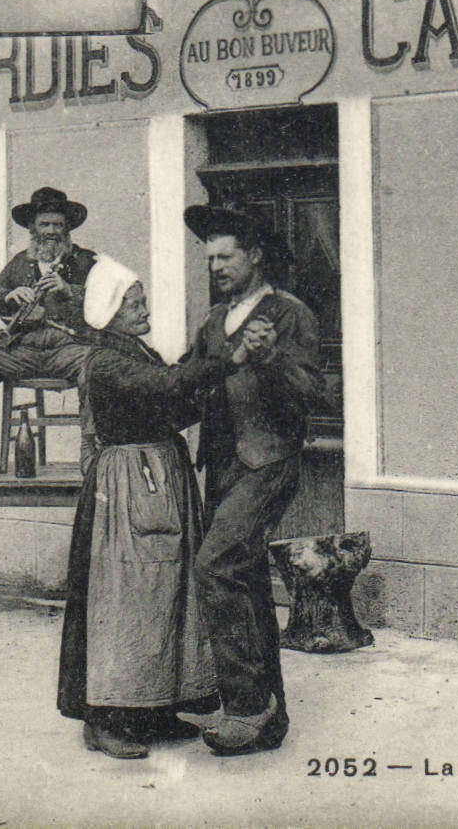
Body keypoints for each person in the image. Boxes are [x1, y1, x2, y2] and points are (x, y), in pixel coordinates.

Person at [55, 257, 247, 759]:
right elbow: (165, 388)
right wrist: (223, 357)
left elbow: (174, 404)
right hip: (128, 485)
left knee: (166, 592)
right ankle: (105, 720)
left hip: (160, 475)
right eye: (132, 303)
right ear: (108, 311)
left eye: (141, 301)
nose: (143, 310)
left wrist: (199, 377)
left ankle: (155, 709)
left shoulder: (135, 351)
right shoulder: (105, 360)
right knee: (126, 597)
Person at [177, 205, 325, 756]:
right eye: (209, 257)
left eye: (226, 255)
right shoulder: (214, 322)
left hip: (267, 460)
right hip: (222, 465)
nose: (215, 265)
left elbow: (316, 394)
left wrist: (272, 359)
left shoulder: (290, 315)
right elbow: (191, 382)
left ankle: (244, 705)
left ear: (255, 256)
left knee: (216, 565)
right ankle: (267, 713)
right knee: (246, 580)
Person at [0, 186, 98, 477]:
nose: (51, 231)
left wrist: (72, 291)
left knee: (98, 366)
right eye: (45, 224)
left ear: (67, 229)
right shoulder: (20, 262)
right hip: (21, 350)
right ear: (33, 229)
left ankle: (90, 449)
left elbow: (108, 302)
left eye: (58, 225)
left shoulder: (85, 261)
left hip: (68, 348)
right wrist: (9, 295)